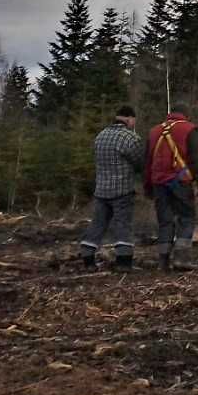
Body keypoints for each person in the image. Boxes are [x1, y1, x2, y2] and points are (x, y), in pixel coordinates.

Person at [79, 105, 146, 271]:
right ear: (130, 118)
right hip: (122, 190)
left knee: (98, 223)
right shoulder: (130, 138)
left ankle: (87, 258)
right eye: (133, 120)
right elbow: (140, 163)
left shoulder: (100, 136)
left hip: (101, 190)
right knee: (122, 224)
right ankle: (124, 262)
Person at [145, 107, 198, 270]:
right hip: (180, 181)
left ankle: (163, 261)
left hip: (158, 182)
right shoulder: (189, 129)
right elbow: (195, 159)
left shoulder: (154, 131)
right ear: (185, 115)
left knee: (165, 221)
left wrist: (148, 187)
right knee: (186, 218)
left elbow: (147, 162)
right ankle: (181, 258)